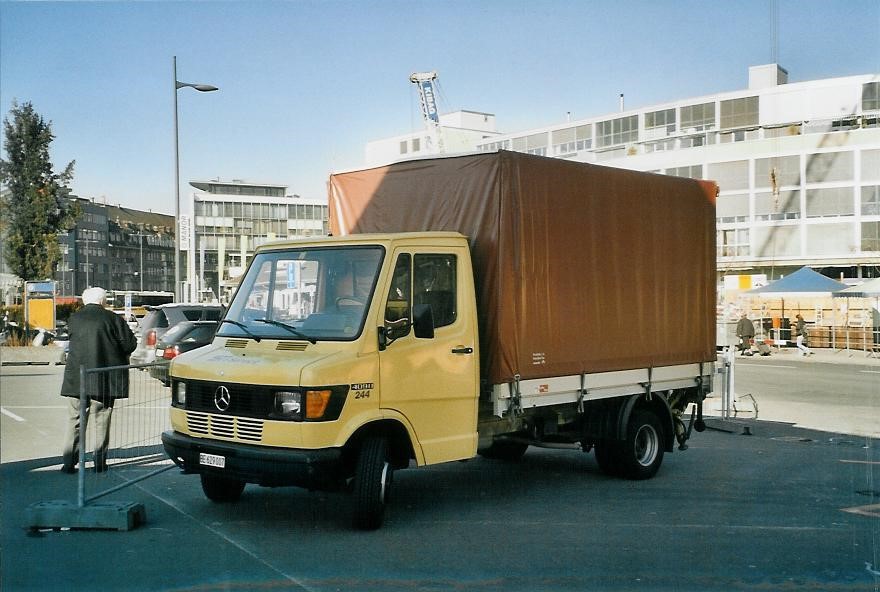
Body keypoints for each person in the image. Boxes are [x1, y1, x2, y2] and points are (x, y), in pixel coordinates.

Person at [60, 287, 137, 473]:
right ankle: (99, 462)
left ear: (84, 301)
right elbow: (130, 344)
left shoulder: (74, 319)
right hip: (104, 378)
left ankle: (70, 462)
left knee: (75, 420)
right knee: (102, 418)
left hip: (77, 379)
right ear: (103, 301)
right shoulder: (113, 319)